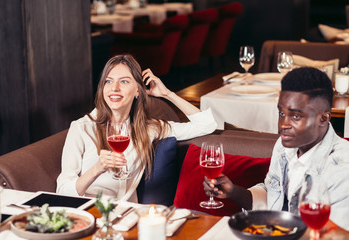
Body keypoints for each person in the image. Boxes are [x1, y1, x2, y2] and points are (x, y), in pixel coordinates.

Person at [203, 67, 349, 232]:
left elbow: (332, 234)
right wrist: (234, 192)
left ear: (323, 118)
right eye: (281, 113)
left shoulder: (342, 168)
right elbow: (272, 197)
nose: (282, 126)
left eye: (295, 116)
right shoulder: (283, 146)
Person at [57, 54, 217, 201]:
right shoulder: (82, 128)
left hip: (129, 216)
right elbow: (62, 191)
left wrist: (167, 93)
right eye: (108, 81)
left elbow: (206, 124)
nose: (114, 88)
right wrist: (97, 169)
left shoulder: (148, 128)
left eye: (124, 81)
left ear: (138, 91)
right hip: (91, 214)